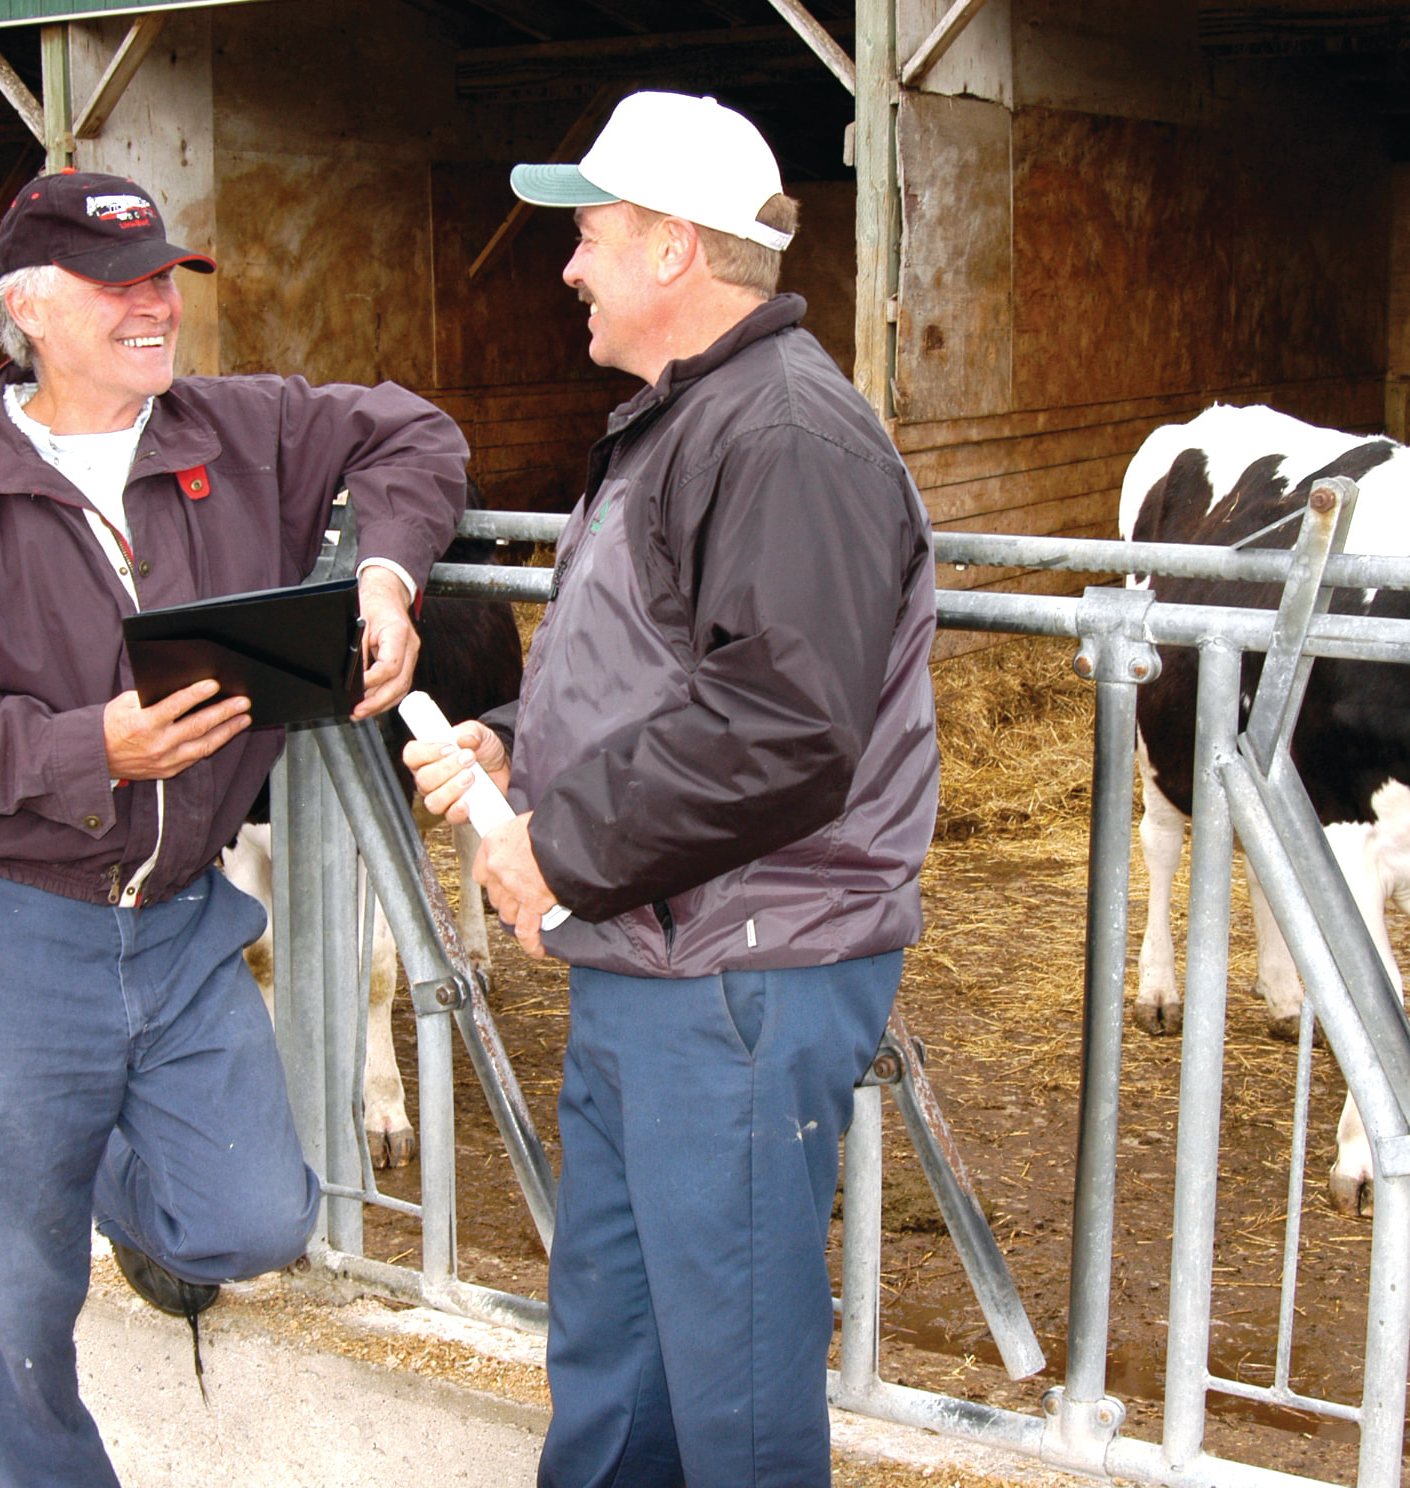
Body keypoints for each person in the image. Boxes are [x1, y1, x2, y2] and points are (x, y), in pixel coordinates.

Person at [0, 170, 467, 1488]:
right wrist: (85, 747)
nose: (156, 306)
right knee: (11, 1295)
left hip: (180, 921)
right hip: (4, 923)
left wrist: (386, 575)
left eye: (165, 278)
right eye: (120, 287)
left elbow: (417, 434)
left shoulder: (248, 432)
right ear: (32, 311)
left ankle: (94, 1161)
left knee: (254, 1219)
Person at [408, 92, 940, 1486]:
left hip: (741, 974)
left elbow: (780, 728)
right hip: (664, 954)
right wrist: (519, 743)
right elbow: (661, 670)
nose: (569, 267)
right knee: (619, 1352)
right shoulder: (689, 419)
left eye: (586, 236)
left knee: (731, 1385)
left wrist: (560, 849)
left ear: (669, 250)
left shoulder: (783, 440)